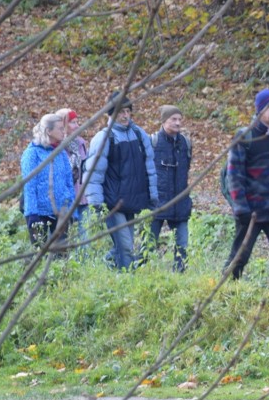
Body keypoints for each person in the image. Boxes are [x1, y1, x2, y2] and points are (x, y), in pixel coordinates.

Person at [223, 88, 269, 289]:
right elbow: (234, 175)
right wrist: (241, 208)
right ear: (260, 109)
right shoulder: (245, 136)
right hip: (251, 212)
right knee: (240, 256)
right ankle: (224, 292)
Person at [85, 92, 158, 270]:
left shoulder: (140, 135)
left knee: (123, 245)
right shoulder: (104, 138)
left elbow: (150, 167)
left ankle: (108, 266)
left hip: (132, 201)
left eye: (127, 111)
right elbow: (94, 172)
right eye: (120, 112)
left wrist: (153, 196)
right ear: (110, 115)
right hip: (113, 203)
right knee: (126, 246)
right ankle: (126, 281)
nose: (125, 116)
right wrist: (95, 202)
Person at [20, 113, 77, 251]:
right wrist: (32, 214)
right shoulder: (32, 153)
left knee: (62, 258)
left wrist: (71, 211)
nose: (64, 132)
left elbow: (69, 184)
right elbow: (29, 186)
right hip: (39, 214)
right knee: (41, 257)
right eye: (60, 129)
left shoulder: (61, 153)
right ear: (48, 131)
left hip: (61, 215)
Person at [146, 105, 192, 272]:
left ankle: (179, 280)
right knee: (147, 247)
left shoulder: (186, 143)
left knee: (182, 248)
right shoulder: (153, 142)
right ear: (164, 120)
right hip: (156, 203)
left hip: (180, 204)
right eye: (174, 119)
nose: (178, 123)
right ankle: (135, 277)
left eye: (180, 119)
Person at [55, 108, 90, 255]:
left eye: (77, 122)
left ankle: (85, 269)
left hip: (82, 197)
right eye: (72, 122)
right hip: (65, 199)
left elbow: (86, 168)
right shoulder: (55, 147)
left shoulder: (81, 143)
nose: (77, 126)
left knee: (85, 240)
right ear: (63, 124)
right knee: (63, 239)